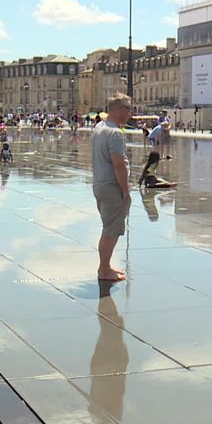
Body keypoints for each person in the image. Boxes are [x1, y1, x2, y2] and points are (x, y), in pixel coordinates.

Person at [92, 93, 132, 282]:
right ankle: (104, 270)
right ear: (117, 110)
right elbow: (119, 164)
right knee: (111, 229)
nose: (130, 113)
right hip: (111, 187)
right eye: (128, 108)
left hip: (99, 184)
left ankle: (106, 266)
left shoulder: (100, 127)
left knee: (109, 227)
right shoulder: (115, 133)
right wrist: (125, 190)